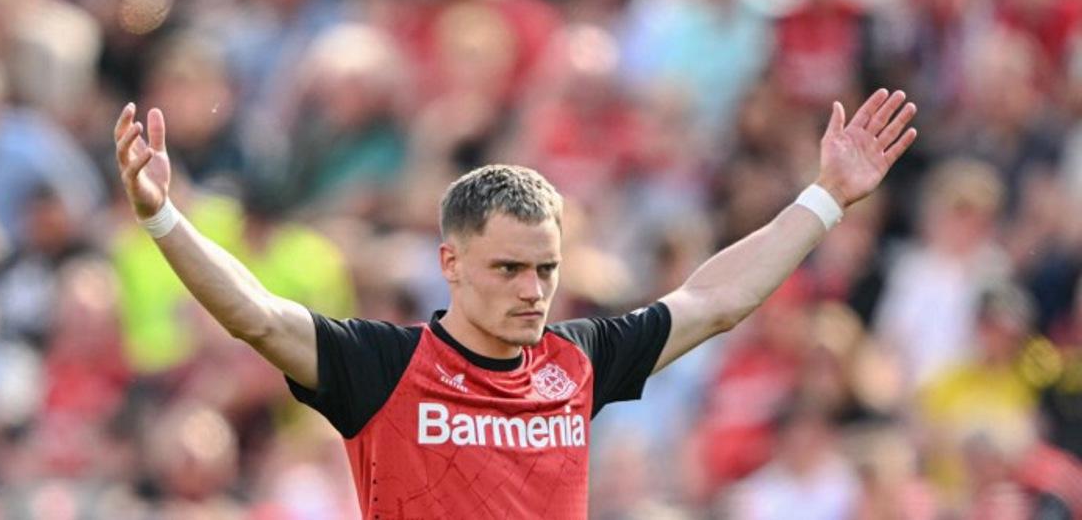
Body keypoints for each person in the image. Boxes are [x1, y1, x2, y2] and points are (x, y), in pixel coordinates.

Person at [113, 87, 917, 518]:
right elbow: (256, 313)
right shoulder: (382, 367)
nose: (533, 291)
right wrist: (163, 217)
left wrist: (826, 197)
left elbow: (712, 300)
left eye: (546, 268)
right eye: (508, 269)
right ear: (450, 263)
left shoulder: (577, 358)